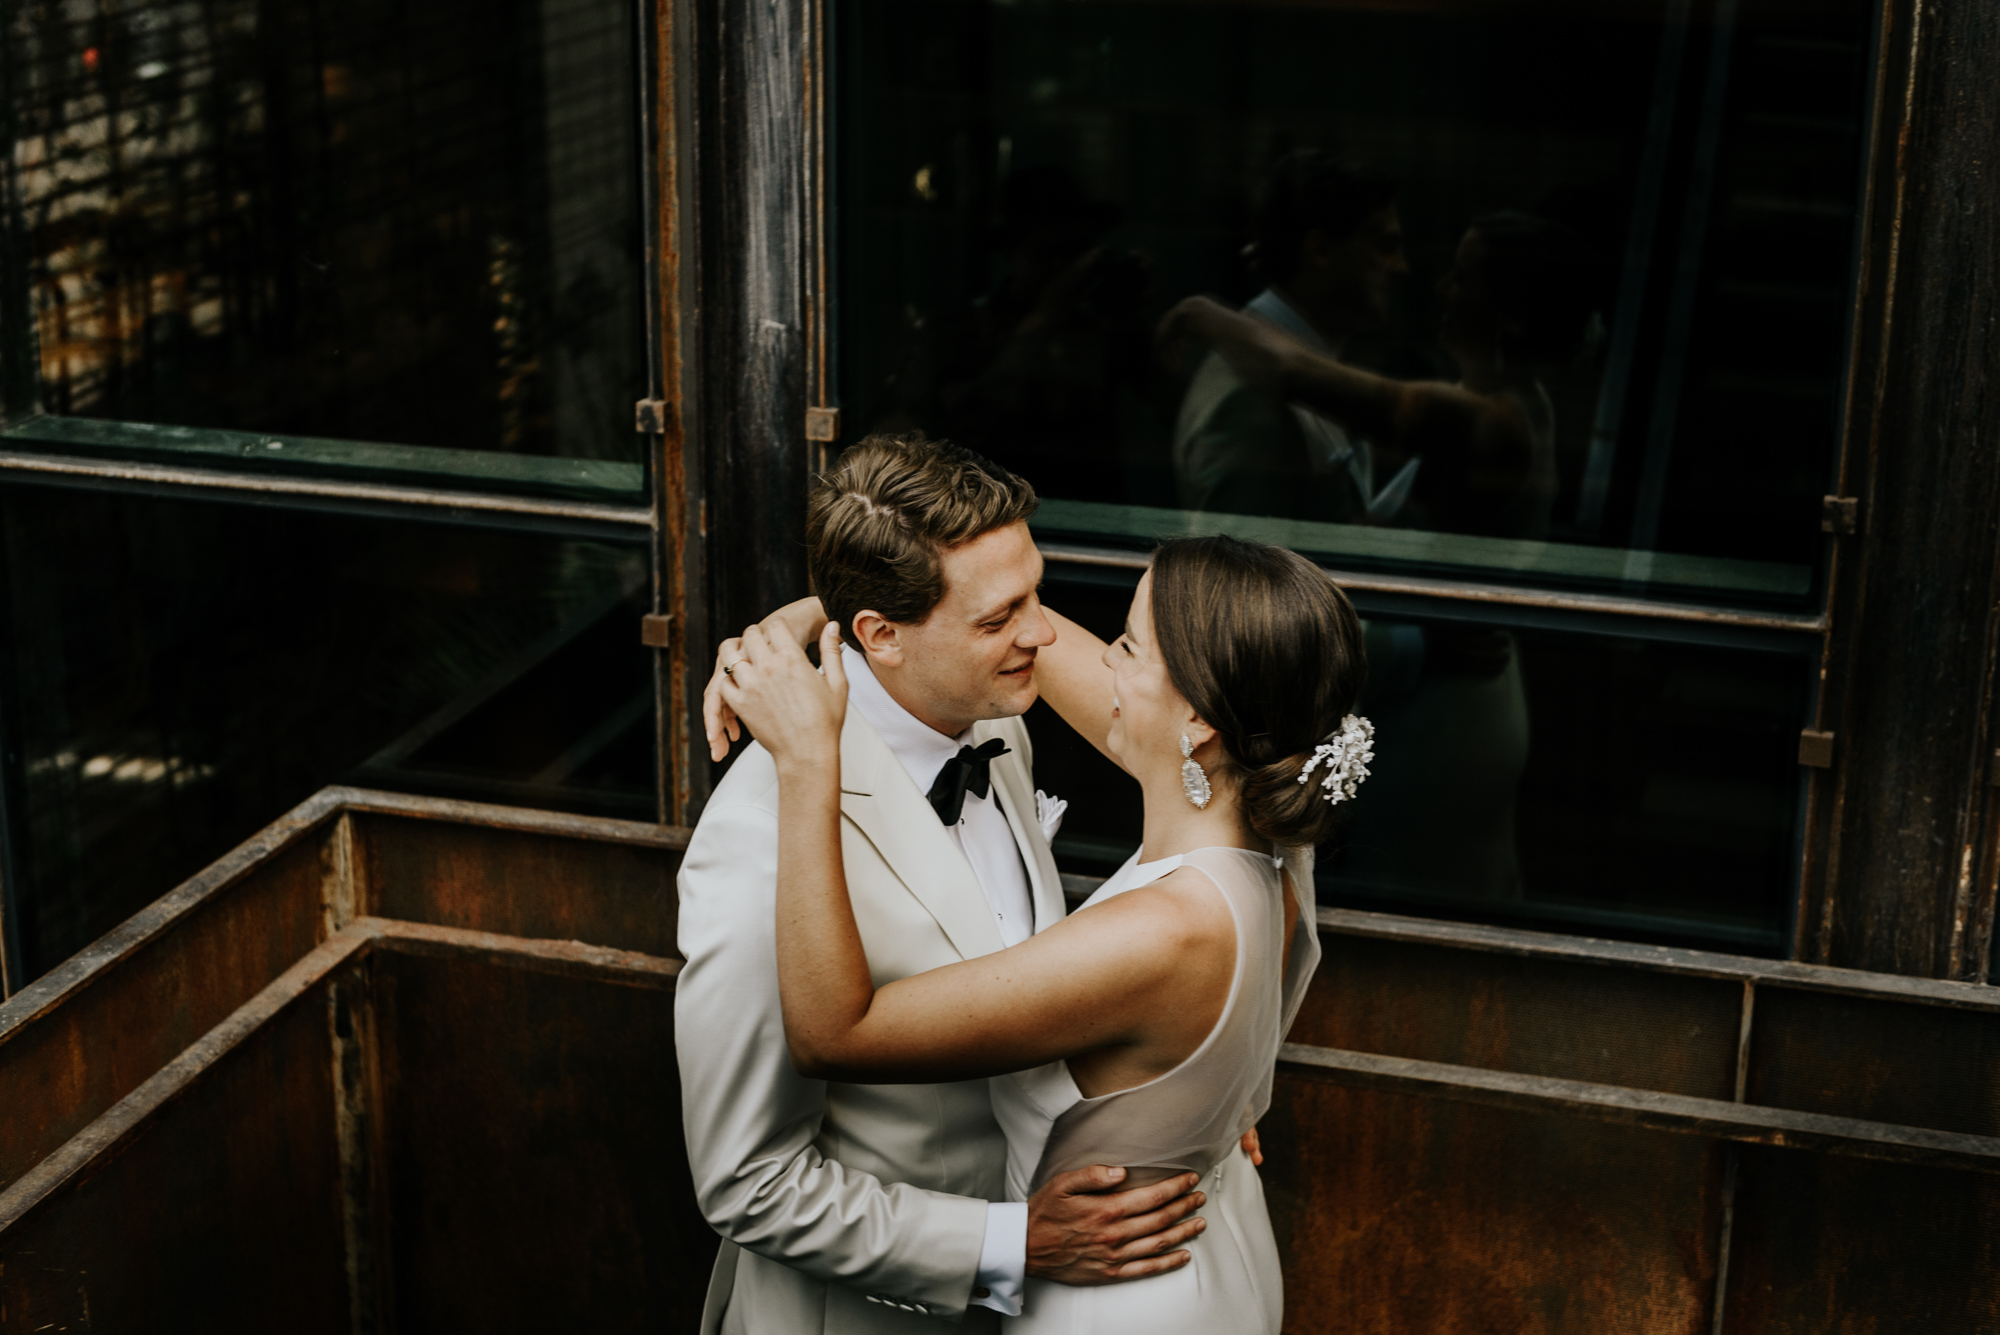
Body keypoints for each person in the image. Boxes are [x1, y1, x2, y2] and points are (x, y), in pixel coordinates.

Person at [714, 529, 1372, 1333]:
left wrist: (810, 760)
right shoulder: (1270, 823)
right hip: (1219, 1244)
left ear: (1198, 720)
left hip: (1126, 1299)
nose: (1068, 648)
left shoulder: (1162, 933)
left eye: (1126, 645)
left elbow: (836, 1033)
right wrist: (840, 609)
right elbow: (987, 628)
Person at [675, 433, 1210, 1335]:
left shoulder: (996, 715)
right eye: (1001, 616)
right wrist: (1012, 1244)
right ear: (881, 636)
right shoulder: (762, 835)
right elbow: (747, 1180)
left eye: (1036, 593)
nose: (1042, 633)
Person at [1160, 209, 1598, 901]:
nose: (1444, 288)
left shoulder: (1488, 419)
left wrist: (1199, 312)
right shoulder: (1500, 406)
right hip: (1456, 692)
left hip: (1447, 708)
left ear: (1510, 314)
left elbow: (1289, 371)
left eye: (1467, 277)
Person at [1172, 151, 1415, 524]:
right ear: (1319, 250)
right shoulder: (1249, 398)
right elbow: (1238, 572)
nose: (1400, 267)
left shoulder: (1303, 363)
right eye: (1385, 246)